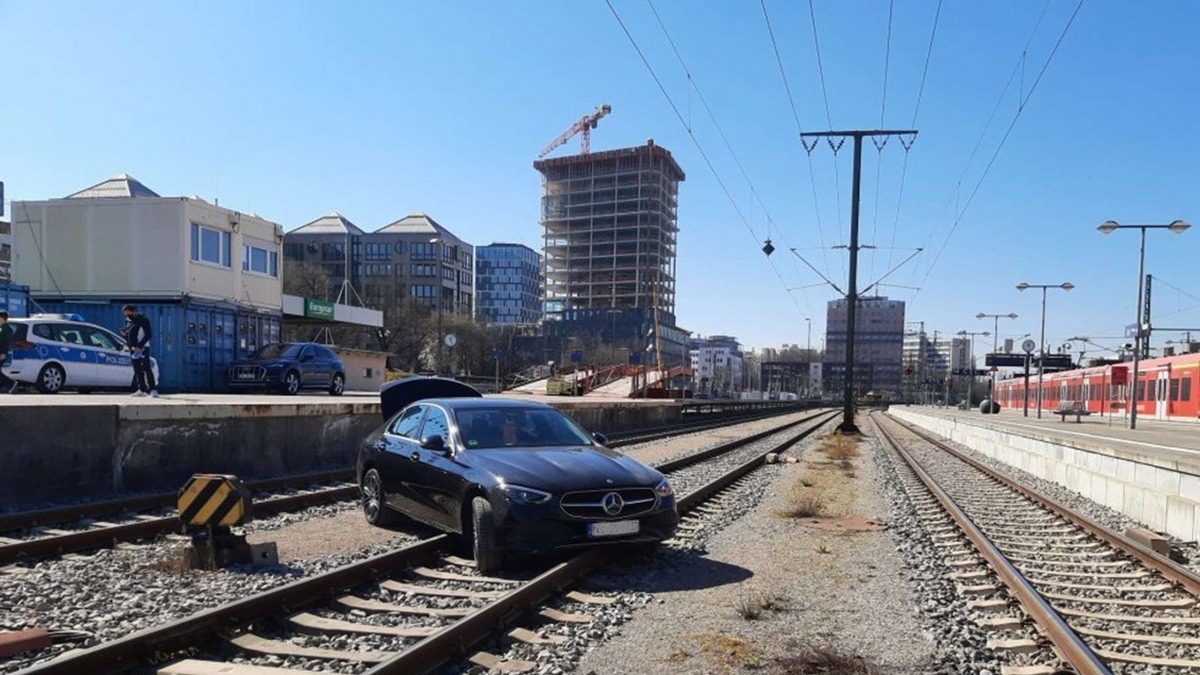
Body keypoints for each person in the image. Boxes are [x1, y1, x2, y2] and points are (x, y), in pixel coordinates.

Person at [123, 304, 158, 398]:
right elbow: (129, 333)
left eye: (128, 312)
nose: (127, 315)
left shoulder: (143, 320)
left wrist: (140, 345)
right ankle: (142, 389)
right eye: (125, 313)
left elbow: (148, 334)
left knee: (146, 367)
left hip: (143, 347)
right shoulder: (128, 321)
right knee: (137, 369)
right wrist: (125, 334)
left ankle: (153, 389)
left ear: (133, 311)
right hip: (133, 348)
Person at [0, 311, 13, 394]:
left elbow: (7, 342)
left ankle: (10, 383)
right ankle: (4, 385)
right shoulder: (2, 328)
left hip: (2, 353)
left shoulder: (7, 329)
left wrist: (3, 353)